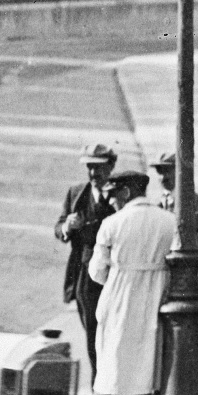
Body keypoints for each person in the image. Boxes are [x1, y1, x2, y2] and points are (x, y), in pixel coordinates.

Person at [88, 170, 177, 395]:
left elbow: (97, 272)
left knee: (112, 367)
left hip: (119, 299)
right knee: (142, 368)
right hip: (153, 300)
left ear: (126, 192)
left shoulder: (112, 224)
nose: (110, 201)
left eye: (113, 195)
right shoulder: (169, 221)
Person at [55, 143, 118, 380]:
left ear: (112, 166)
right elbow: (59, 227)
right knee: (91, 328)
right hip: (84, 273)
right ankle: (98, 383)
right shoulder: (76, 193)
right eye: (90, 168)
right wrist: (66, 227)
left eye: (99, 168)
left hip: (113, 272)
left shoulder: (121, 193)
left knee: (112, 330)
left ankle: (108, 382)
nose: (93, 174)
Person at [150, 152, 198, 253]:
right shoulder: (157, 205)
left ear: (180, 172)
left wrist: (180, 243)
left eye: (168, 171)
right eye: (160, 172)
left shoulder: (196, 202)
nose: (164, 177)